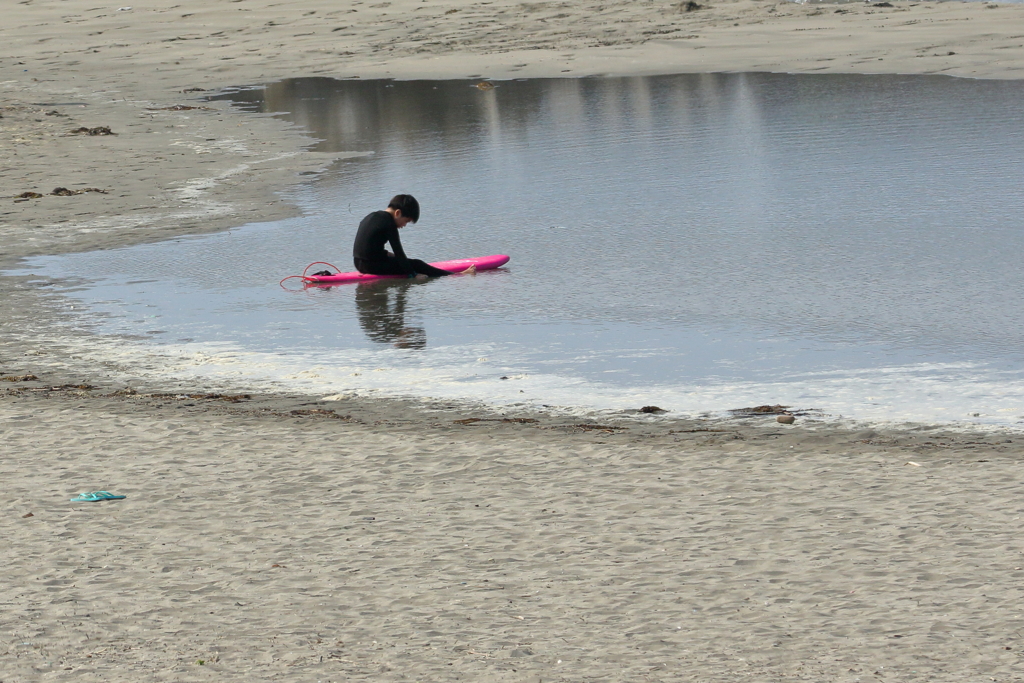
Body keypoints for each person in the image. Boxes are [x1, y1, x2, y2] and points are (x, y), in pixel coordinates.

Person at [352, 194, 475, 278]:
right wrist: (413, 274)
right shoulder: (389, 223)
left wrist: (385, 254)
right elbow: (399, 251)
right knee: (417, 264)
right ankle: (457, 275)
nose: (404, 225)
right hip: (372, 266)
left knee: (395, 257)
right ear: (398, 213)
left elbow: (366, 245)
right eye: (406, 221)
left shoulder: (371, 216)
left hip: (358, 263)